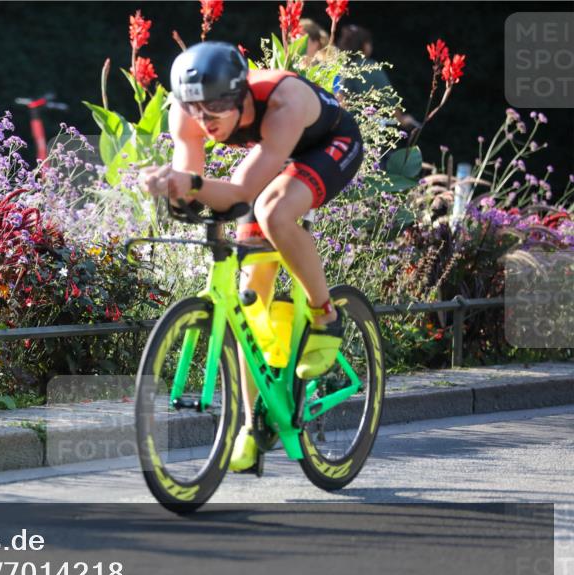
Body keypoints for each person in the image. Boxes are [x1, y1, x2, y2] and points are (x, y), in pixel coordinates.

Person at [137, 41, 363, 473]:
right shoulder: (185, 111)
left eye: (216, 111)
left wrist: (190, 184)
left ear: (241, 96)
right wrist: (176, 188)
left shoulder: (283, 101)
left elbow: (239, 192)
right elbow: (196, 180)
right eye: (196, 110)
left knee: (273, 211)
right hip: (272, 156)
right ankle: (248, 425)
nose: (205, 122)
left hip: (329, 144)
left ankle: (324, 315)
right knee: (249, 297)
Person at [335, 24, 421, 131]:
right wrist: (401, 119)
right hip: (361, 131)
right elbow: (388, 99)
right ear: (365, 45)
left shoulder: (336, 66)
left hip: (337, 127)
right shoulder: (370, 68)